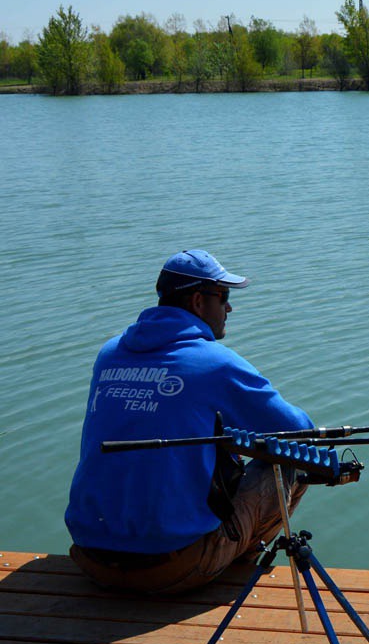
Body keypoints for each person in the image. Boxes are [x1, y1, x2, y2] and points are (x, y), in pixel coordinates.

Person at [66, 249, 315, 594]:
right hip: (170, 570)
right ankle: (232, 556)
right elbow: (300, 432)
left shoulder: (110, 353)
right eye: (224, 297)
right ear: (199, 301)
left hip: (90, 558)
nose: (229, 308)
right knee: (292, 463)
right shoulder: (215, 363)